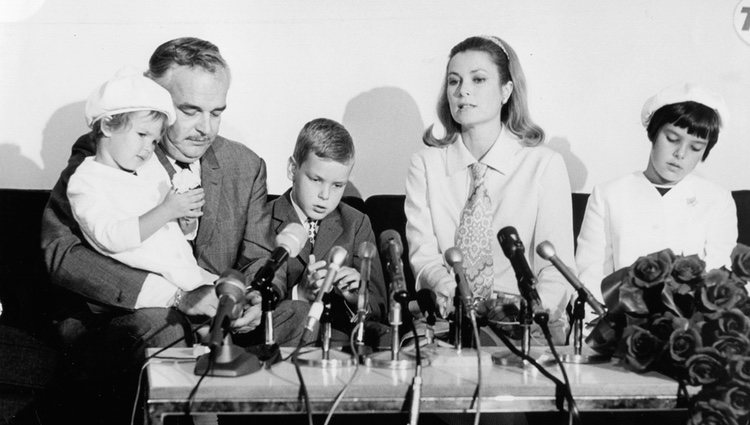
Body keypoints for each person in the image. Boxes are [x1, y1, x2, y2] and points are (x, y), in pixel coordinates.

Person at [40, 37, 307, 425]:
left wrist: (252, 297)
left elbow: (260, 257)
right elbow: (61, 255)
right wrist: (177, 297)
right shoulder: (108, 152)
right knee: (163, 329)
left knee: (299, 319)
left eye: (217, 112)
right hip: (135, 319)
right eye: (190, 111)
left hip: (221, 315)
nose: (206, 129)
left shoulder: (245, 165)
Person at [404, 35, 575, 344]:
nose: (463, 90)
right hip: (450, 322)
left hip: (526, 326)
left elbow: (555, 268)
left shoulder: (544, 165)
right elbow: (424, 258)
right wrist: (451, 295)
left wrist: (531, 312)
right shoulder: (425, 164)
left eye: (478, 79)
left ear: (506, 91)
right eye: (454, 81)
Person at [575, 83, 737, 308]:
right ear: (653, 132)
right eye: (672, 138)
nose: (680, 154)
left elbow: (719, 279)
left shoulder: (717, 201)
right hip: (619, 327)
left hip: (690, 330)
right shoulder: (608, 195)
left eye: (696, 147)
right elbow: (590, 277)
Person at [67, 70, 218, 297]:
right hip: (158, 288)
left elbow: (172, 229)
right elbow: (112, 238)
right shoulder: (85, 182)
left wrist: (186, 221)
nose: (149, 148)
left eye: (155, 140)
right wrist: (167, 210)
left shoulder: (148, 168)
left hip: (188, 274)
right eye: (141, 134)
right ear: (107, 126)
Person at [245, 118, 388, 348]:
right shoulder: (261, 218)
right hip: (283, 343)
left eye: (337, 185)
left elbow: (380, 306)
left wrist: (355, 296)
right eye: (316, 180)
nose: (325, 195)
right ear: (293, 169)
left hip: (340, 345)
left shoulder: (356, 222)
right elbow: (254, 300)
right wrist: (299, 293)